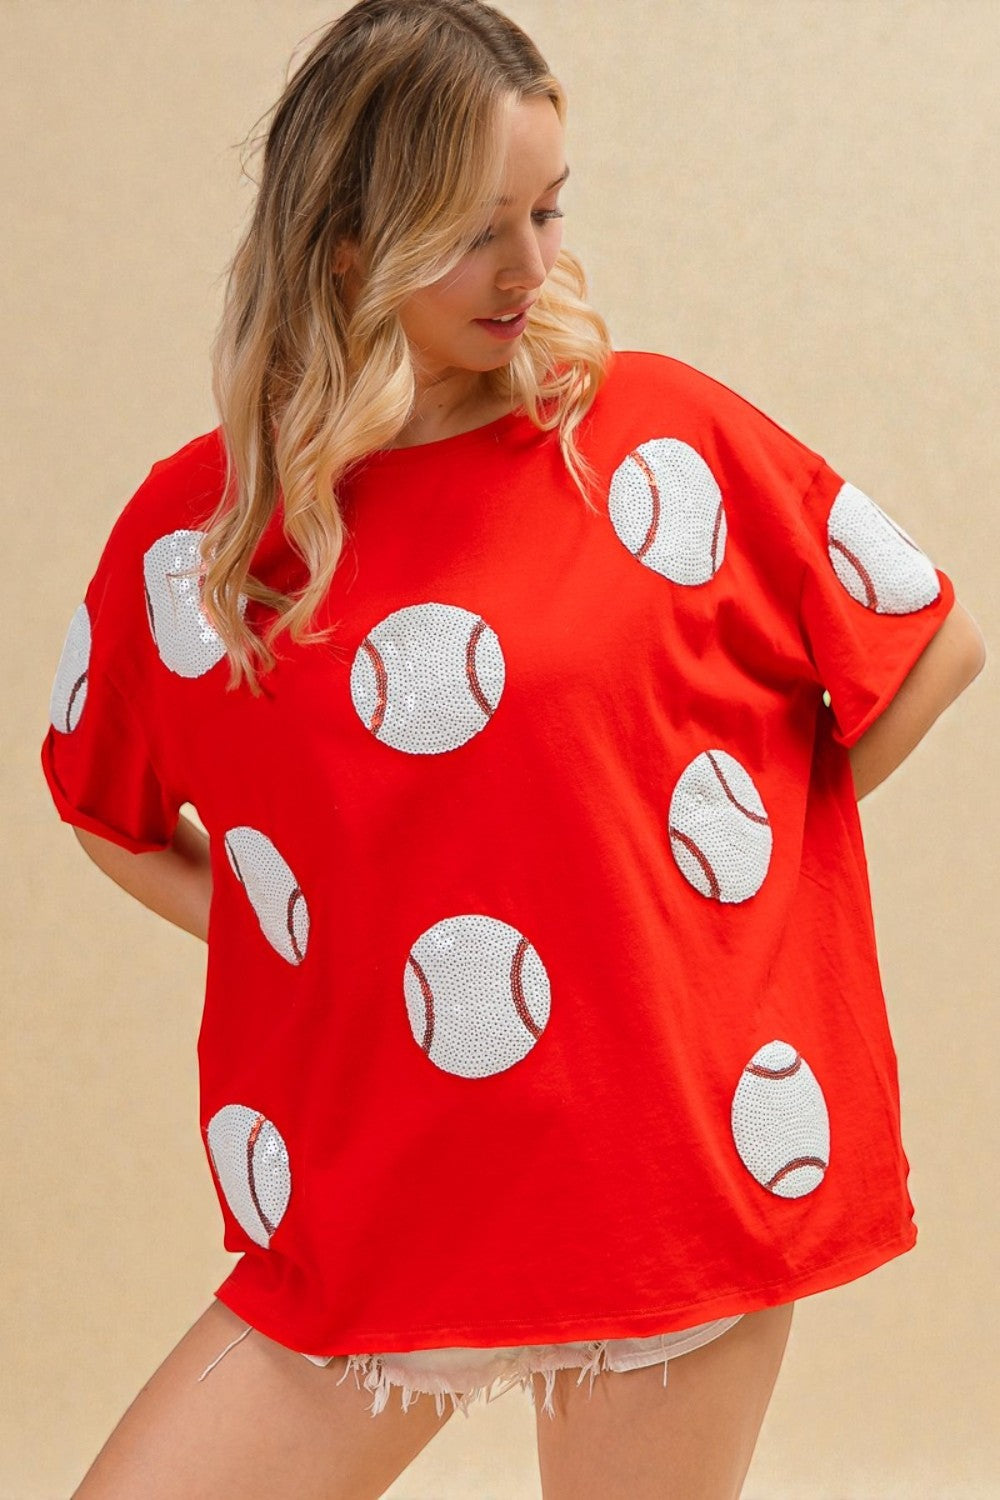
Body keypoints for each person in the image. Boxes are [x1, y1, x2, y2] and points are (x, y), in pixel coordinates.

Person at [40, 2, 986, 1497]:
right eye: (480, 231)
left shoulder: (653, 442)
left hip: (656, 1175)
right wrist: (313, 935)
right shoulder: (199, 536)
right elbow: (104, 803)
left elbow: (927, 639)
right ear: (347, 244)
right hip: (375, 1194)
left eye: (549, 211)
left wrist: (706, 882)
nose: (531, 268)